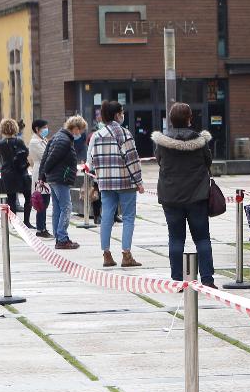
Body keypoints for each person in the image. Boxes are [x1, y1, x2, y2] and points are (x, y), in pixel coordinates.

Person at [153, 102, 215, 286]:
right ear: (189, 118)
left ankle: (178, 279)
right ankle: (207, 279)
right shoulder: (200, 141)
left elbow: (159, 161)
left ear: (171, 119)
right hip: (197, 195)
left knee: (176, 238)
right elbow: (208, 161)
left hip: (170, 196)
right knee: (202, 238)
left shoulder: (162, 142)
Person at [87, 101, 144, 268]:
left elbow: (90, 161)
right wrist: (139, 182)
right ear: (117, 115)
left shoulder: (97, 135)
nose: (123, 115)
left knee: (106, 217)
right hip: (125, 181)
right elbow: (132, 160)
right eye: (122, 112)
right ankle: (126, 254)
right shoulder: (124, 134)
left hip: (105, 182)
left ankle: (106, 254)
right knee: (128, 217)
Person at [39, 115, 87, 250]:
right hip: (60, 178)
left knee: (57, 208)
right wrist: (44, 174)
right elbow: (51, 159)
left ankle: (59, 237)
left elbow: (45, 157)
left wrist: (43, 176)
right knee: (66, 207)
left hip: (54, 178)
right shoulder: (64, 140)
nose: (81, 133)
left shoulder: (56, 137)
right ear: (76, 128)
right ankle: (62, 238)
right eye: (81, 130)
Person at [0, 119, 32, 228]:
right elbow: (26, 152)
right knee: (28, 197)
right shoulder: (18, 141)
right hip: (20, 172)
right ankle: (26, 222)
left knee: (11, 199)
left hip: (7, 173)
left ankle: (14, 222)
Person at [29, 120, 53, 238]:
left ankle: (43, 227)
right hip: (40, 172)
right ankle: (40, 228)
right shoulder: (34, 142)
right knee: (41, 202)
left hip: (45, 172)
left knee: (46, 201)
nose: (46, 130)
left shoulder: (42, 140)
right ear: (37, 129)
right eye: (44, 128)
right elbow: (46, 155)